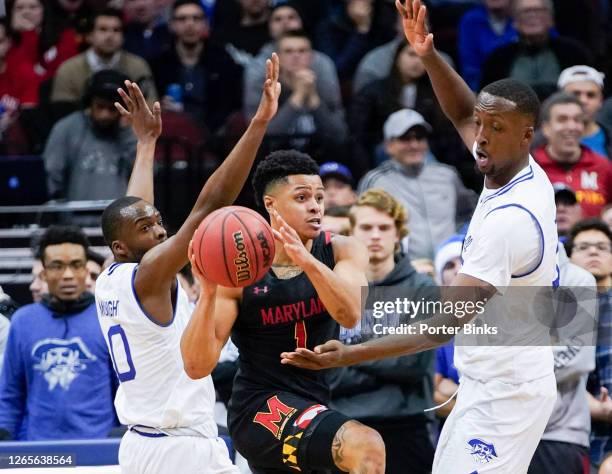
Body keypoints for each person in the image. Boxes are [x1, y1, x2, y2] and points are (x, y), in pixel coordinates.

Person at [281, 2, 559, 473]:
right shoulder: (515, 167)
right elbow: (461, 113)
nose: (482, 138)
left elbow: (439, 328)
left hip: (509, 390)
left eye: (496, 129)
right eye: (482, 125)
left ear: (528, 134)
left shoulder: (507, 219)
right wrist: (429, 55)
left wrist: (347, 354)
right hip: (494, 380)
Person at [95, 53, 281, 474]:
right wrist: (259, 123)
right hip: (180, 452)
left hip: (145, 444)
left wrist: (146, 145)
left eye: (160, 224)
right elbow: (211, 206)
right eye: (150, 229)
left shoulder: (114, 276)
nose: (160, 231)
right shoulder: (147, 279)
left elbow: (133, 213)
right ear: (122, 247)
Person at [180, 151, 386, 473]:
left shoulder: (342, 249)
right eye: (302, 197)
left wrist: (306, 260)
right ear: (271, 205)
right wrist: (207, 293)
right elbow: (196, 366)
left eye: (319, 197)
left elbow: (348, 314)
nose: (316, 206)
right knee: (366, 446)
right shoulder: (239, 271)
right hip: (261, 408)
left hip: (313, 401)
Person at [330, 189, 437, 474]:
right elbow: (325, 369)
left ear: (398, 234)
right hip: (344, 426)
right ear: (351, 232)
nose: (375, 235)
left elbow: (413, 363)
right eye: (366, 228)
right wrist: (389, 352)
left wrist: (346, 355)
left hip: (406, 429)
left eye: (384, 227)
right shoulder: (336, 290)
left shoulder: (423, 290)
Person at [0, 225, 118, 441]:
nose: (68, 275)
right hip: (38, 452)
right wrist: (6, 439)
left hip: (100, 452)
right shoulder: (23, 322)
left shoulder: (108, 318)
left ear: (86, 270)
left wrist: (118, 438)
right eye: (57, 266)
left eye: (76, 265)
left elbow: (124, 389)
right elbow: (10, 395)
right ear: (43, 273)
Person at [358, 109, 477, 260]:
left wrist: (457, 248)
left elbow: (467, 214)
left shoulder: (447, 175)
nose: (414, 145)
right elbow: (361, 228)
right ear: (389, 145)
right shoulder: (376, 182)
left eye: (420, 138)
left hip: (450, 271)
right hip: (405, 275)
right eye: (405, 138)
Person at [149, 0, 243, 132]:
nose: (190, 24)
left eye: (196, 18)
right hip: (171, 136)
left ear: (206, 24)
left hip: (214, 137)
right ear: (171, 25)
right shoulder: (158, 64)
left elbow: (231, 109)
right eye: (182, 19)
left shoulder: (223, 61)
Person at [44, 69, 137, 201]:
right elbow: (51, 174)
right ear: (89, 104)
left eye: (112, 109)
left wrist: (126, 133)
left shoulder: (132, 132)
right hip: (74, 218)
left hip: (121, 219)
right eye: (100, 106)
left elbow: (147, 175)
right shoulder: (66, 128)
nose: (105, 115)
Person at [566, 219, 612, 469]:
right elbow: (551, 376)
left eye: (602, 247)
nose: (593, 251)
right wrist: (598, 407)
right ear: (569, 258)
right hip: (579, 436)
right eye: (583, 247)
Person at [480, 0, 591, 99]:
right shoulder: (497, 59)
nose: (532, 16)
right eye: (526, 11)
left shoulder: (575, 53)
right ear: (514, 22)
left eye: (538, 11)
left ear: (551, 19)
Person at [51, 8, 157, 106]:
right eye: (103, 29)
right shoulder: (69, 70)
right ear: (89, 36)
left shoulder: (138, 66)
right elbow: (61, 111)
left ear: (123, 37)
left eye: (116, 30)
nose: (110, 35)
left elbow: (150, 106)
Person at [533, 92, 612, 218]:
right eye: (562, 119)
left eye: (577, 120)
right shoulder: (530, 167)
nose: (571, 127)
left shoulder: (604, 167)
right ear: (546, 128)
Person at [557, 65, 611, 158]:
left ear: (601, 101)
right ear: (558, 98)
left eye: (591, 95)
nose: (583, 101)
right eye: (575, 94)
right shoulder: (538, 142)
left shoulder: (609, 137)